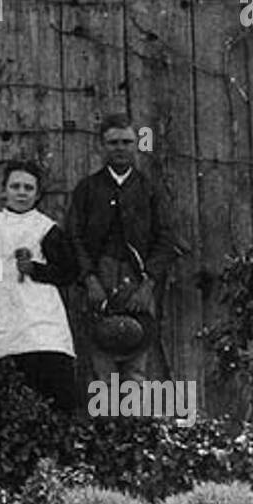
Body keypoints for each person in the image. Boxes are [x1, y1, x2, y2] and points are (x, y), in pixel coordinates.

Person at [64, 113, 181, 385]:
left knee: (136, 363)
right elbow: (74, 237)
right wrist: (90, 279)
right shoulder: (87, 189)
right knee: (101, 364)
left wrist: (148, 284)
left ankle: (133, 427)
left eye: (127, 142)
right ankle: (105, 427)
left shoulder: (149, 189)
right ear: (101, 146)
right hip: (99, 280)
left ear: (136, 145)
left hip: (138, 280)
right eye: (113, 142)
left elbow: (167, 238)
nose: (120, 148)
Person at [0, 159, 78, 409]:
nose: (21, 193)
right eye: (15, 186)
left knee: (46, 358)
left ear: (37, 194)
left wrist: (35, 268)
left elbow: (69, 271)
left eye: (28, 188)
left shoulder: (46, 228)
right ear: (4, 190)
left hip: (37, 305)